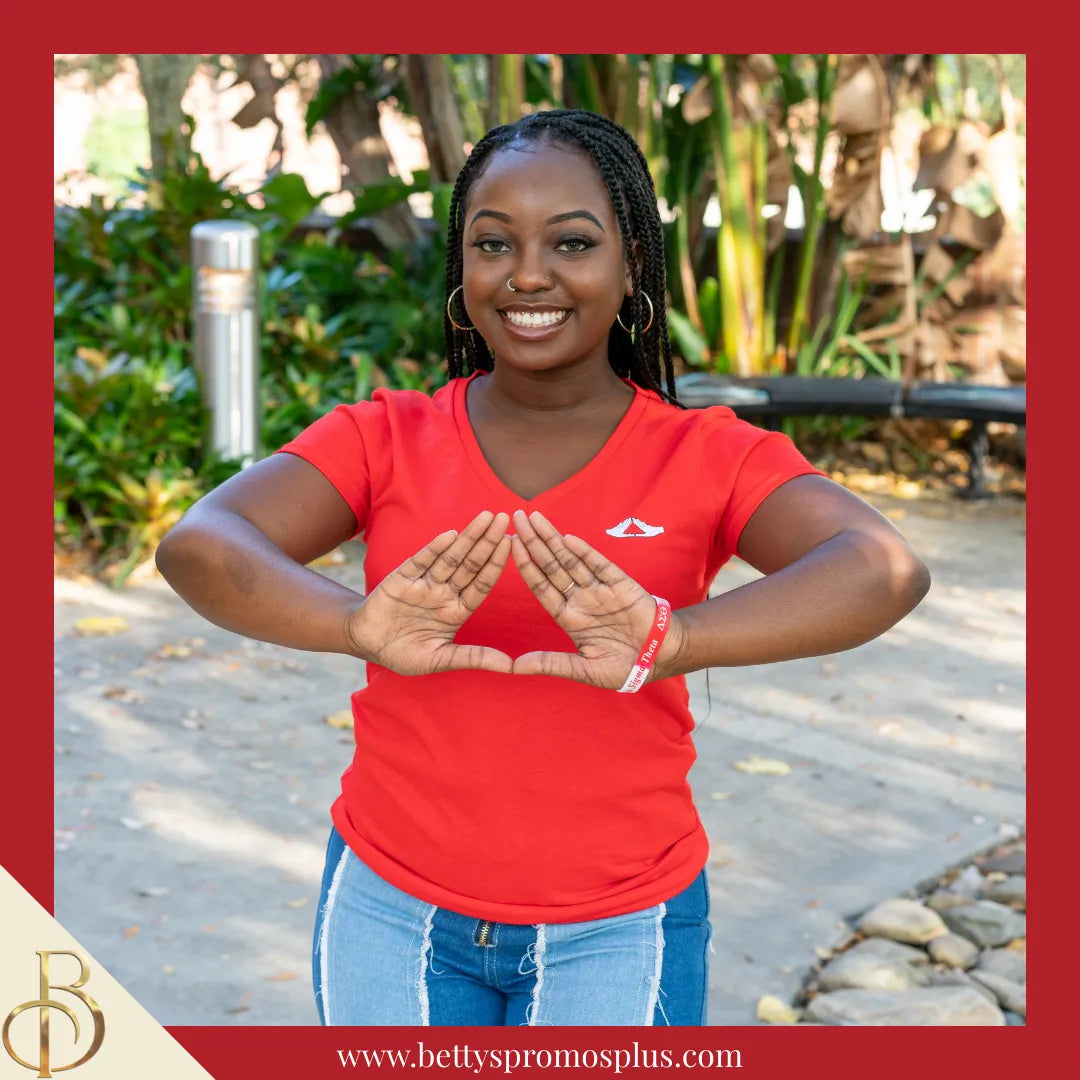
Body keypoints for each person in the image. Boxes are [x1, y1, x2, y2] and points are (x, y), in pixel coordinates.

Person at [155, 109, 931, 1027]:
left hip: (621, 921)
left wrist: (676, 639)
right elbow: (203, 542)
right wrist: (350, 625)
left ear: (632, 263)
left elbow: (882, 568)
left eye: (572, 241)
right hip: (388, 907)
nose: (528, 274)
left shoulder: (705, 454)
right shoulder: (385, 436)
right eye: (493, 243)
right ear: (462, 270)